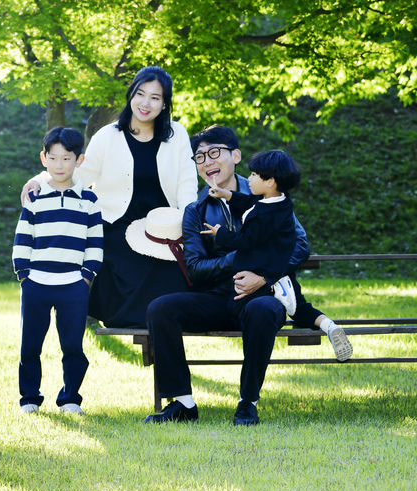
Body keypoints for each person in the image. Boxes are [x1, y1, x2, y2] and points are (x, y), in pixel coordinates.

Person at [143, 126, 351, 427]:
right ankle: (182, 403)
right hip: (216, 299)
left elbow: (299, 244)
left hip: (261, 298)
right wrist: (241, 259)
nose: (207, 161)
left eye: (215, 152)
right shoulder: (195, 211)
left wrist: (263, 276)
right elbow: (197, 268)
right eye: (199, 156)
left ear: (235, 156)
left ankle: (247, 403)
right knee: (160, 308)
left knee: (265, 309)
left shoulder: (266, 199)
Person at [21, 66, 197, 328]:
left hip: (162, 229)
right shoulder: (108, 135)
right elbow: (78, 172)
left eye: (155, 97)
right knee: (130, 262)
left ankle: (165, 325)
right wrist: (39, 179)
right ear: (130, 95)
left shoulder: (177, 134)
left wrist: (187, 221)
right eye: (140, 94)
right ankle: (138, 323)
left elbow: (186, 183)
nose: (145, 103)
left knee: (172, 270)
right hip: (117, 226)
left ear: (164, 104)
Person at [13, 127, 103, 415]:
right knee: (30, 345)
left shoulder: (88, 200)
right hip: (36, 283)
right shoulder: (35, 199)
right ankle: (29, 398)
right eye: (53, 158)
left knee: (73, 346)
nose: (60, 165)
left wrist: (86, 276)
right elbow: (22, 238)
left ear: (79, 160)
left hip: (73, 285)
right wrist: (24, 274)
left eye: (67, 159)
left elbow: (95, 242)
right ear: (43, 158)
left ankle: (70, 398)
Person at [200, 149, 300, 318]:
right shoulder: (274, 201)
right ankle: (328, 325)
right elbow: (248, 202)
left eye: (254, 175)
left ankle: (275, 288)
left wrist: (221, 233)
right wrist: (226, 194)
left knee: (236, 307)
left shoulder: (267, 216)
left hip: (261, 268)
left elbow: (245, 241)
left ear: (270, 182)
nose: (250, 179)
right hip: (264, 265)